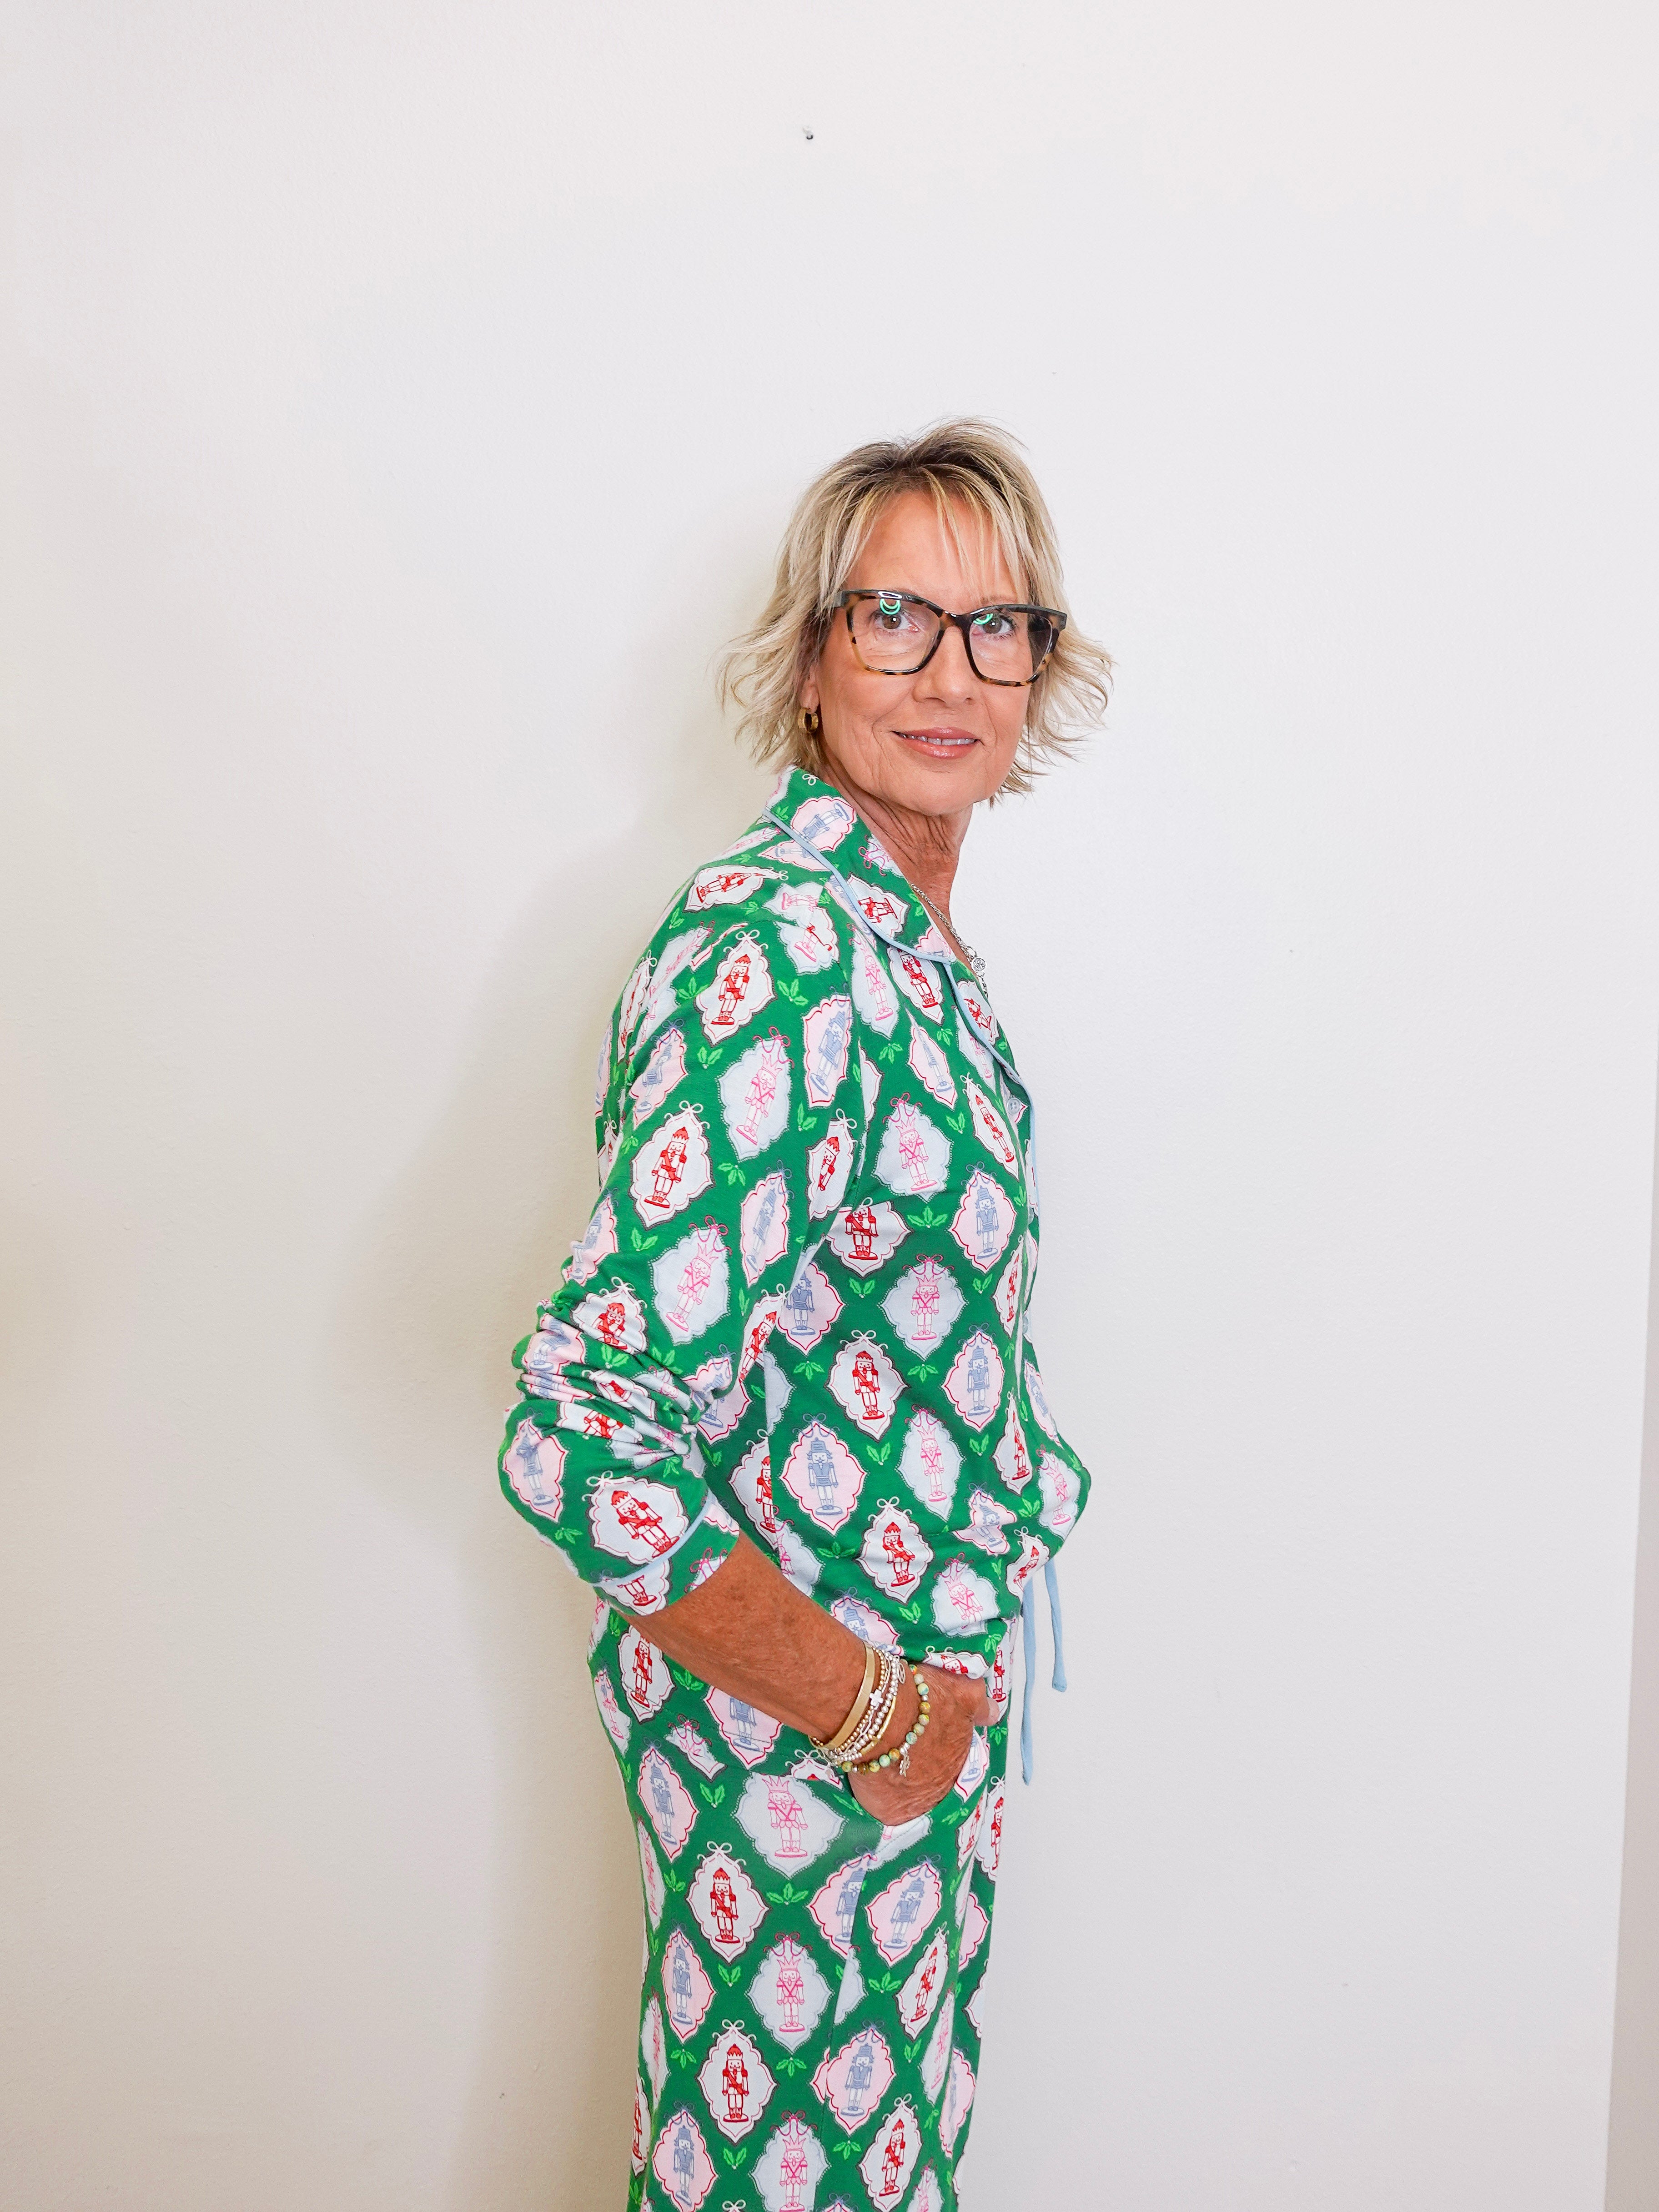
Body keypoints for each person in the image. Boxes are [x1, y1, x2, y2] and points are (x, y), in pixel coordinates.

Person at [499, 419, 1111, 2207]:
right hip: (808, 1760)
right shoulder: (780, 953)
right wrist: (866, 1714)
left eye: (1001, 628)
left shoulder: (909, 950)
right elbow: (581, 1422)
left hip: (909, 1746)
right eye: (896, 618)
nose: (950, 673)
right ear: (811, 651)